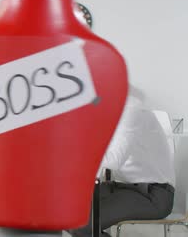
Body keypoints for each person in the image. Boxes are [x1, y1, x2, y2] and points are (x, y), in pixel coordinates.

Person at [71, 90, 175, 237]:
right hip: (121, 187)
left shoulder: (132, 111)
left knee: (83, 225)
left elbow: (114, 159)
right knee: (66, 214)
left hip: (153, 194)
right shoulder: (108, 111)